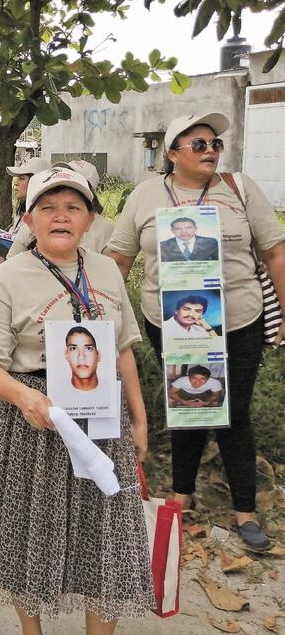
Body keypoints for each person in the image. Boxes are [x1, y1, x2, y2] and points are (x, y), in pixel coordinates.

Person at [0, 167, 153, 633]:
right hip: (31, 421)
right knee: (28, 533)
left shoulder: (104, 269)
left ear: (90, 220)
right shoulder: (4, 280)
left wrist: (138, 420)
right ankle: (32, 629)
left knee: (106, 536)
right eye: (47, 207)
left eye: (73, 207)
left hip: (102, 417)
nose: (60, 216)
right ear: (28, 219)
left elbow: (121, 349)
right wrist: (25, 397)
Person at [107, 111, 285, 550]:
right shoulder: (147, 195)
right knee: (187, 400)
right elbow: (119, 259)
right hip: (169, 323)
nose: (211, 151)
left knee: (233, 409)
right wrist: (105, 316)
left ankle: (245, 510)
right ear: (172, 153)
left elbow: (276, 251)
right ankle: (182, 496)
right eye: (199, 144)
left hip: (239, 320)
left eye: (215, 144)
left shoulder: (239, 189)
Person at [8, 159, 115, 256]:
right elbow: (11, 264)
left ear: (89, 191)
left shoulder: (106, 229)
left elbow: (111, 271)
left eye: (73, 183)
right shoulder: (36, 220)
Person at [4, 157, 50, 233]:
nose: (16, 183)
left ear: (36, 182)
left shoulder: (42, 218)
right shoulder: (24, 210)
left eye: (21, 179)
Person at [64, 325, 100, 391]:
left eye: (88, 348)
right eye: (73, 348)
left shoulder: (112, 390)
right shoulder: (55, 391)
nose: (81, 357)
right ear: (66, 355)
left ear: (98, 355)